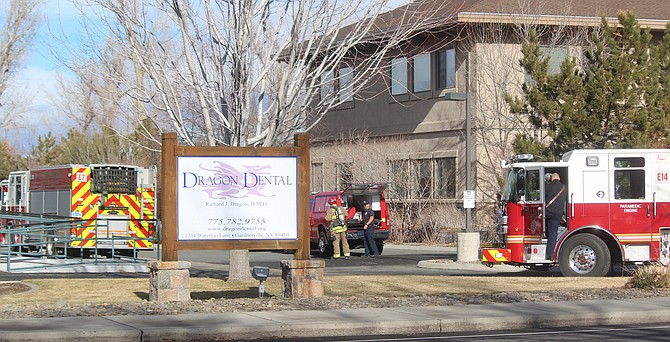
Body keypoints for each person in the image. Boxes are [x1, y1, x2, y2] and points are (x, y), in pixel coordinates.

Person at [545, 173, 567, 260]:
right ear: (559, 178)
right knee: (553, 233)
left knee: (545, 228)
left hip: (548, 212)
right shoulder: (564, 188)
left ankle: (545, 234)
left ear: (552, 178)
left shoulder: (547, 187)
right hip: (558, 214)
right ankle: (550, 254)